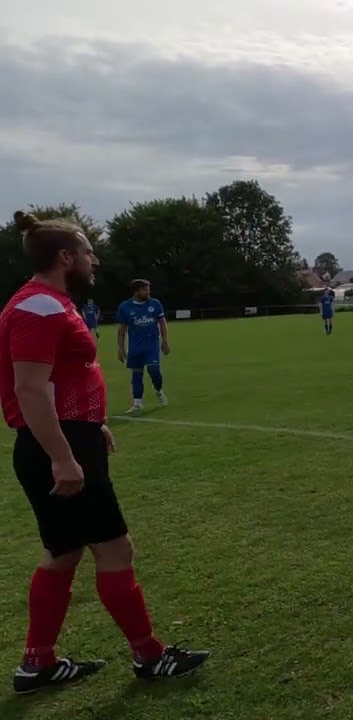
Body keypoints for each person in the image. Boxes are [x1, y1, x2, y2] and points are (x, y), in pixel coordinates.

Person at [2, 212, 208, 695]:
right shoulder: (39, 308)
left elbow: (60, 381)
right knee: (114, 549)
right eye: (89, 251)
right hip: (58, 446)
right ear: (65, 257)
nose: (95, 260)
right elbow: (30, 390)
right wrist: (64, 455)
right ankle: (149, 656)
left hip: (71, 438)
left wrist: (93, 426)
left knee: (64, 553)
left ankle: (38, 664)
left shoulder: (51, 303)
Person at [115, 280, 169, 412]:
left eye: (148, 289)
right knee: (137, 374)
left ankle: (158, 390)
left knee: (154, 370)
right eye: (145, 290)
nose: (148, 292)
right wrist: (121, 348)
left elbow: (162, 322)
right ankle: (137, 404)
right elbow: (122, 329)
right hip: (135, 347)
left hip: (152, 346)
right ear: (137, 291)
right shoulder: (125, 307)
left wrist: (165, 341)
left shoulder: (155, 304)